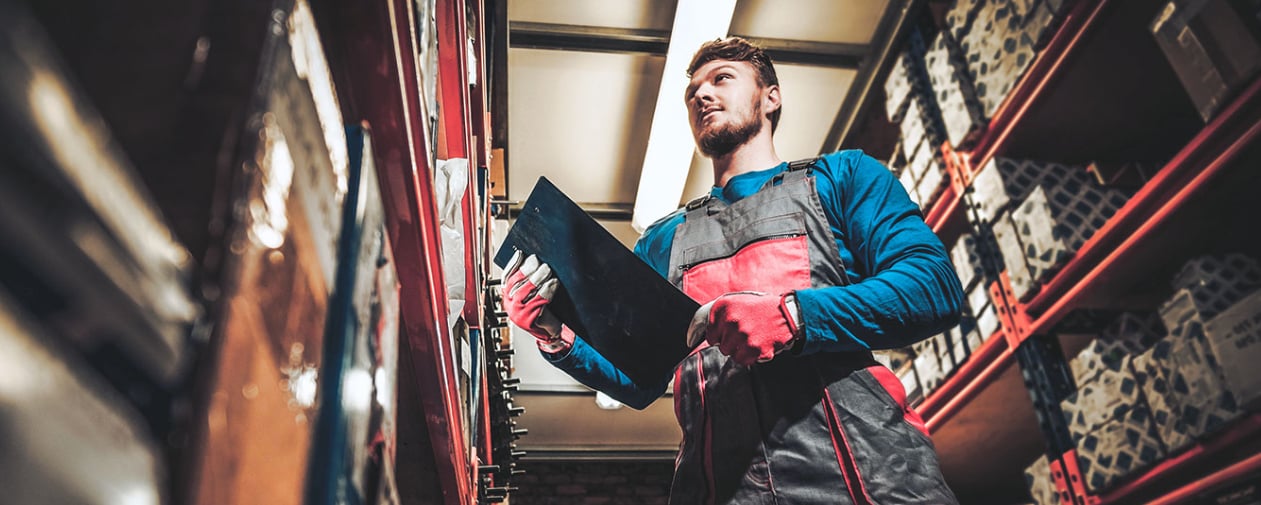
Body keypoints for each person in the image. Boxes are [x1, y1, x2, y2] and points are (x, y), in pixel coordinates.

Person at [502, 37, 964, 504]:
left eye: (722, 78)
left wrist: (793, 315)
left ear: (771, 97)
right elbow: (642, 379)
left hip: (871, 482)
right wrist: (557, 333)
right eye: (692, 92)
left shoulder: (841, 178)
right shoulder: (662, 240)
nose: (701, 95)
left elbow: (932, 286)